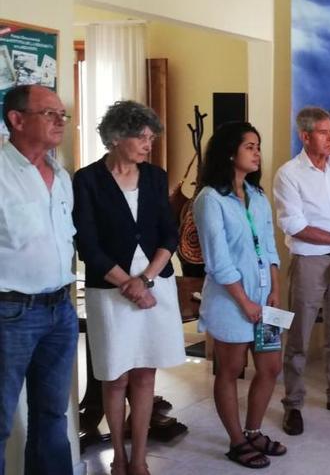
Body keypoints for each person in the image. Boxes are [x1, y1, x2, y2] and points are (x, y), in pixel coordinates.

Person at [72, 100, 186, 475]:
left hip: (155, 285)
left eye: (151, 138)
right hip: (110, 289)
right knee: (115, 375)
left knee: (144, 374)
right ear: (117, 137)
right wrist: (130, 284)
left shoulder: (155, 176)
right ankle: (118, 459)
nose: (148, 144)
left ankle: (139, 459)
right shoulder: (87, 179)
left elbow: (169, 233)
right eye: (142, 136)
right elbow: (87, 243)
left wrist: (147, 279)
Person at [193, 122, 287, 469]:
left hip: (265, 301)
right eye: (250, 146)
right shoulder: (209, 199)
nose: (257, 152)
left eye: (258, 146)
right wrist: (245, 302)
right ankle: (236, 441)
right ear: (230, 152)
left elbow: (271, 250)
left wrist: (275, 290)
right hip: (232, 302)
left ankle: (253, 430)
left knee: (271, 367)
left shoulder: (258, 196)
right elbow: (218, 262)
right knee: (231, 370)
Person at [274, 107, 330, 437]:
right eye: (324, 132)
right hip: (309, 262)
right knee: (298, 335)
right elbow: (296, 226)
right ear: (305, 136)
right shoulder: (288, 174)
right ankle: (294, 403)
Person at [0, 85, 78, 475]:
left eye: (62, 114)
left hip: (60, 311)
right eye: (50, 114)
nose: (61, 121)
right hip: (10, 313)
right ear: (16, 119)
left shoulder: (61, 175)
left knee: (51, 415)